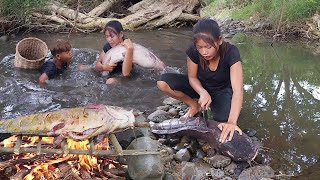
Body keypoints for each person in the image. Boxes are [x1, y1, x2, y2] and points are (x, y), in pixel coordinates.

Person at [157, 18, 243, 143]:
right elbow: (192, 77)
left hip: (221, 90)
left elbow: (238, 90)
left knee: (222, 121)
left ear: (219, 40)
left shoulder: (231, 52)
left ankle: (219, 109)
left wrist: (232, 122)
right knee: (163, 83)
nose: (204, 52)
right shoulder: (193, 51)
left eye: (208, 47)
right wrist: (202, 92)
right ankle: (194, 105)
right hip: (200, 86)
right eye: (200, 47)